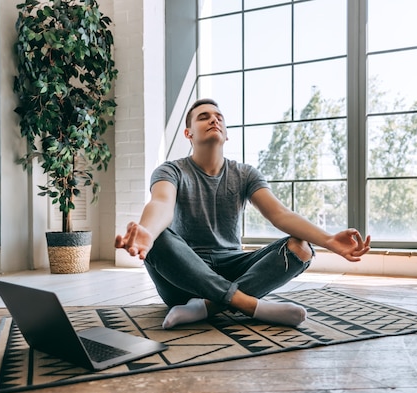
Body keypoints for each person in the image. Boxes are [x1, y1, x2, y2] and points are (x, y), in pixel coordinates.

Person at [115, 98, 370, 329]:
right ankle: (250, 306)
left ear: (226, 134)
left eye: (219, 117)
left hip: (233, 266)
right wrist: (147, 231)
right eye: (203, 117)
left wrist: (328, 241)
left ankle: (207, 306)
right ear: (188, 133)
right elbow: (161, 203)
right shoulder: (171, 170)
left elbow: (280, 214)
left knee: (301, 248)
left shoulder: (245, 174)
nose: (214, 119)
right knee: (158, 236)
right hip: (185, 277)